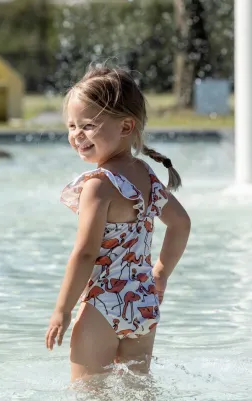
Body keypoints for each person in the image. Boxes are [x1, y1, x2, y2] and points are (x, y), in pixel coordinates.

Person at [45, 66, 191, 382]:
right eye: (72, 126)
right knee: (137, 395)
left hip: (103, 304)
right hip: (143, 303)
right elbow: (181, 224)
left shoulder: (99, 186)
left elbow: (84, 254)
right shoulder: (147, 176)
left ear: (126, 126)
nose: (77, 135)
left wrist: (62, 310)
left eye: (88, 125)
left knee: (88, 399)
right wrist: (161, 274)